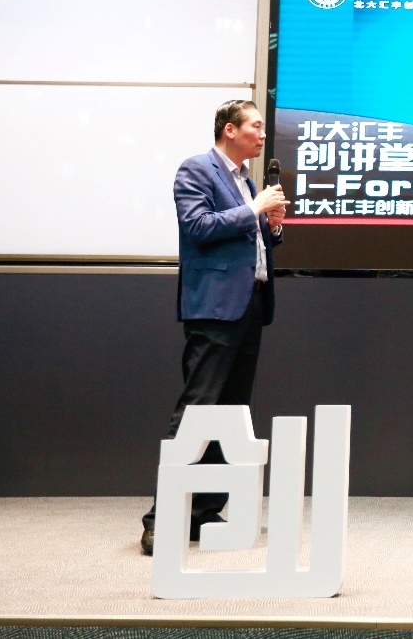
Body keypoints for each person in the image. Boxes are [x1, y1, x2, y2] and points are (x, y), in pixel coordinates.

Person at [140, 99, 288, 555]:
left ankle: (203, 511)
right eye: (255, 126)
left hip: (250, 305)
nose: (263, 134)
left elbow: (247, 242)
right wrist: (254, 208)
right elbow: (198, 226)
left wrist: (272, 227)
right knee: (198, 410)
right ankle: (161, 519)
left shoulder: (246, 181)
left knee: (231, 414)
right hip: (214, 309)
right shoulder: (197, 169)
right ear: (230, 130)